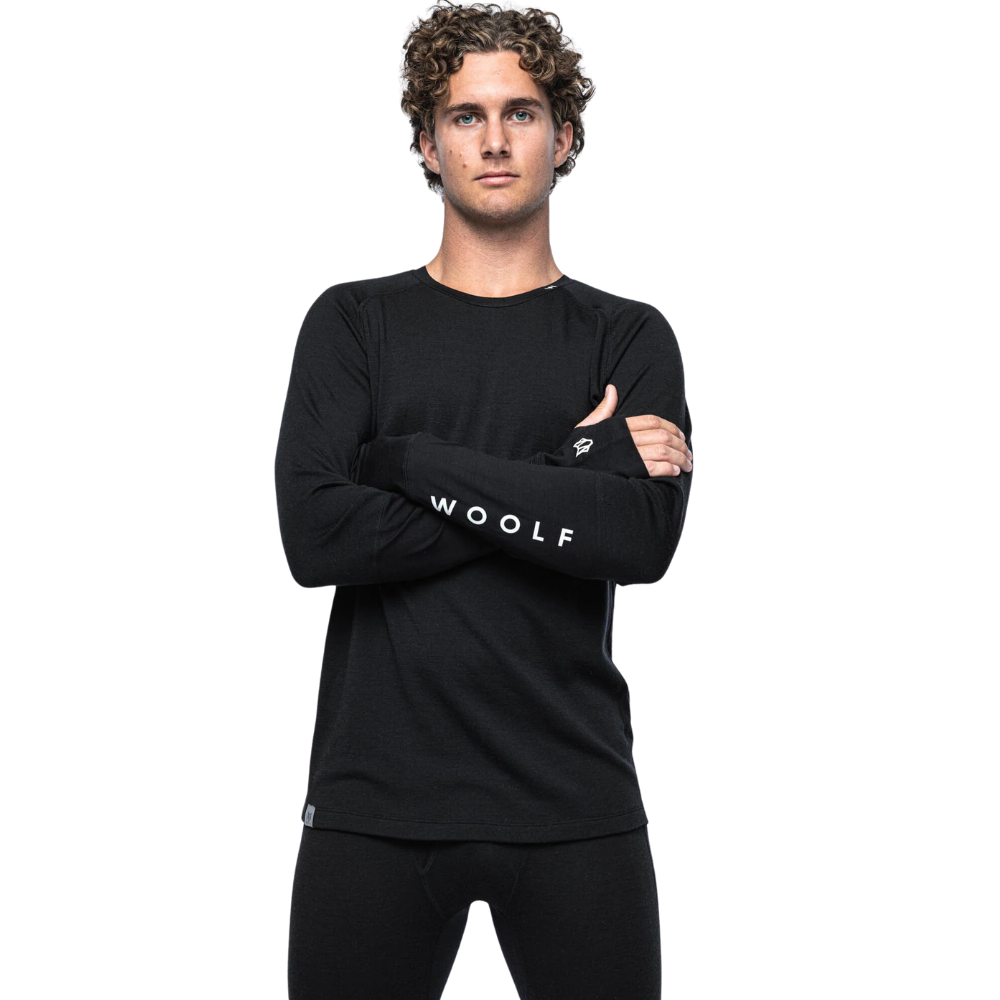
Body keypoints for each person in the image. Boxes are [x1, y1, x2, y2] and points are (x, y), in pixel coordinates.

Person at [274, 3, 694, 997]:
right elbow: (319, 536)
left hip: (573, 798)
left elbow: (635, 538)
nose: (495, 140)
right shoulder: (353, 323)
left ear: (565, 136)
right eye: (466, 116)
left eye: (521, 112)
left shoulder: (627, 336)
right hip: (376, 802)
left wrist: (408, 461)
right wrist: (575, 463)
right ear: (428, 142)